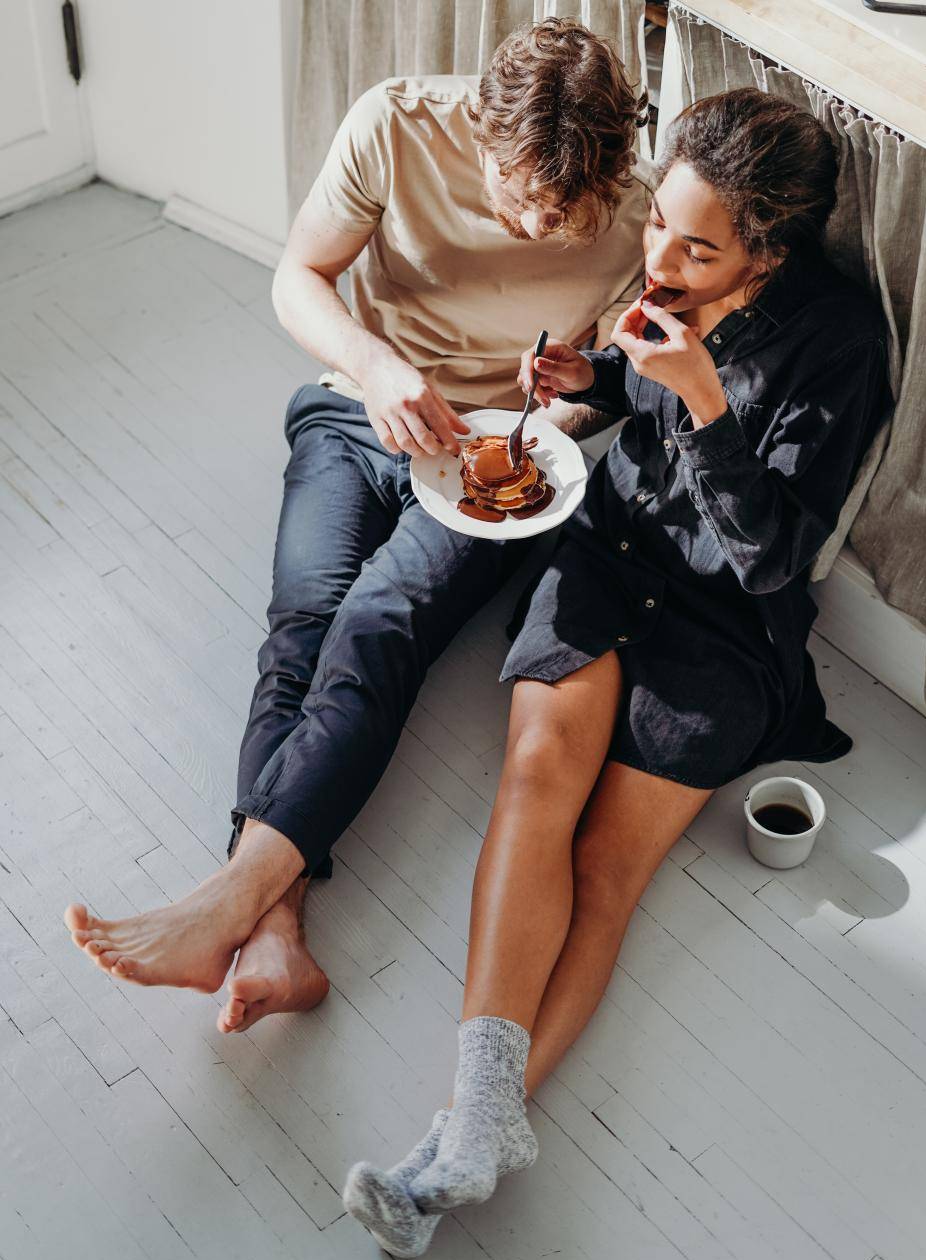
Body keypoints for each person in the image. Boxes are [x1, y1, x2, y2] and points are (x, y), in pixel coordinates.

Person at [341, 88, 891, 1257]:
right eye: (658, 227)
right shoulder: (663, 287)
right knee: (537, 775)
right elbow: (632, 408)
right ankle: (484, 1117)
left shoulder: (838, 345)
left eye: (698, 246)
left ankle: (464, 1141)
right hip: (610, 553)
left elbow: (775, 556)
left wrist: (706, 403)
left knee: (606, 867)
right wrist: (588, 382)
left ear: (769, 249)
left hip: (726, 627)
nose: (662, 258)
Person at [61, 20, 655, 1035]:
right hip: (355, 410)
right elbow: (300, 277)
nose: (534, 227)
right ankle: (274, 927)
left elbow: (612, 381)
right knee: (304, 618)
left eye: (563, 214)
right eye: (519, 198)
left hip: (492, 459)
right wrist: (381, 369)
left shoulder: (631, 207)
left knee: (381, 620)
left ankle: (231, 898)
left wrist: (537, 436)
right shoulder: (394, 123)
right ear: (478, 130)